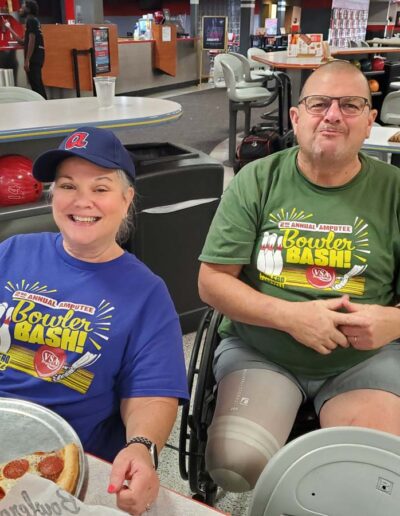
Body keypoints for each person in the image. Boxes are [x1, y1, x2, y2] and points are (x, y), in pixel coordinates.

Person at [198, 60, 400, 492]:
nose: (332, 115)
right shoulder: (257, 179)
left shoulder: (395, 190)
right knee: (235, 464)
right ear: (296, 117)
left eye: (350, 105)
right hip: (263, 348)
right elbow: (212, 281)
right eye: (319, 103)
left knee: (367, 482)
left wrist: (394, 321)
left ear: (370, 121)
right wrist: (291, 317)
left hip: (363, 359)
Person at [0, 126, 189, 515]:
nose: (82, 201)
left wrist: (142, 447)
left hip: (70, 460)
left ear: (126, 198)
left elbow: (153, 394)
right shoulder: (13, 251)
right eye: (68, 186)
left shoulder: (146, 293)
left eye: (100, 189)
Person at [4, 1, 47, 99]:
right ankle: (44, 103)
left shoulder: (31, 21)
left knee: (36, 84)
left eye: (22, 7)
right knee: (36, 83)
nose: (20, 9)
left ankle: (43, 104)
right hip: (37, 57)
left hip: (34, 57)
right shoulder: (33, 22)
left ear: (28, 9)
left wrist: (27, 60)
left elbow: (32, 39)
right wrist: (9, 27)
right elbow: (22, 42)